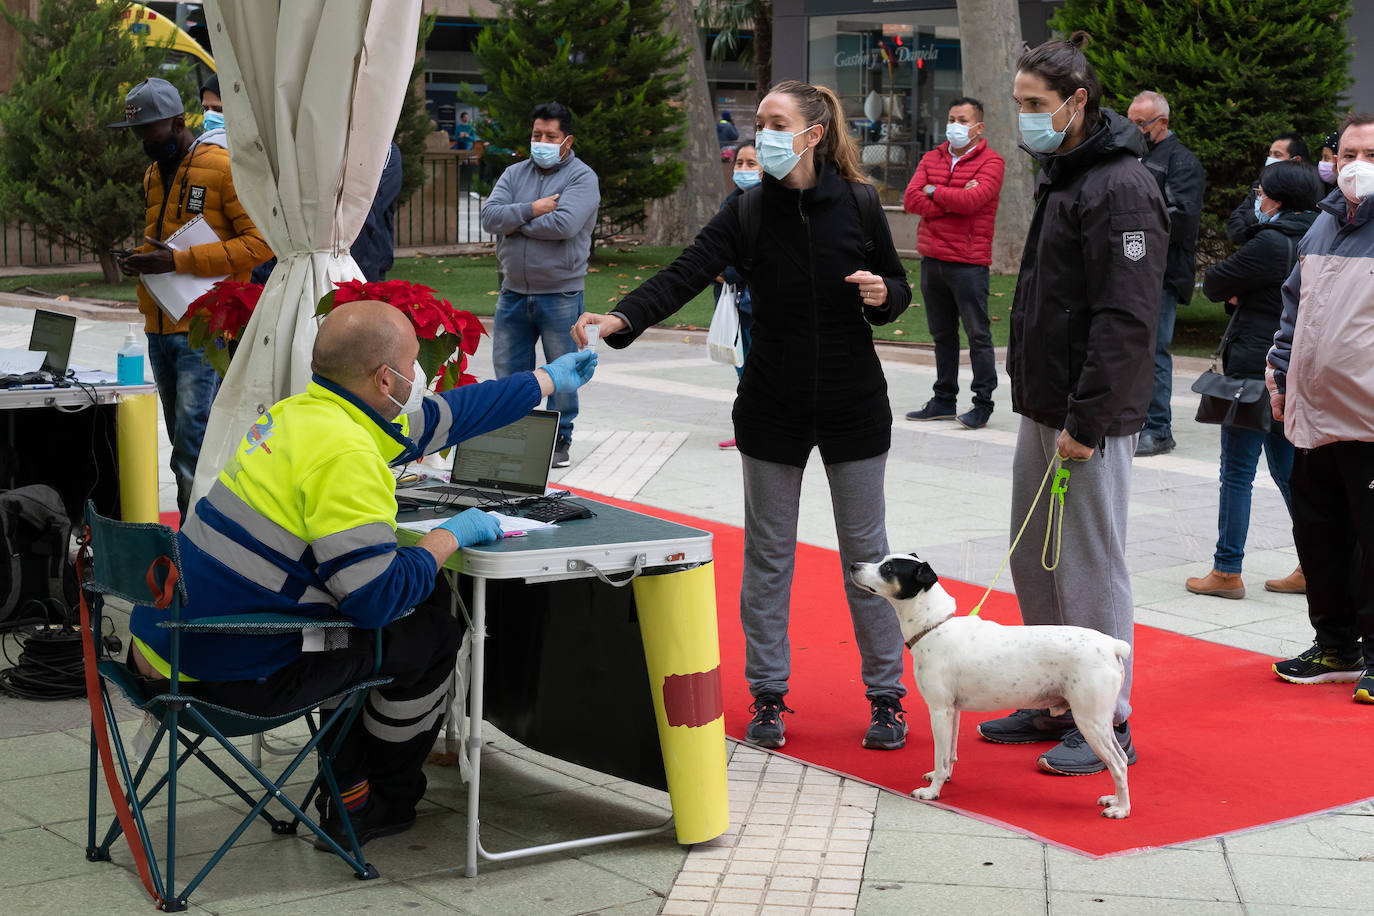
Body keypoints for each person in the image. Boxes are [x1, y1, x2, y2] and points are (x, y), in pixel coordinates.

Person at [128, 299, 599, 845]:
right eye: (414, 361)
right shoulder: (346, 453)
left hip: (163, 648)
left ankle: (346, 777)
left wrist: (544, 380)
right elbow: (374, 600)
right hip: (225, 675)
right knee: (431, 633)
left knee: (352, 624)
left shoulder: (295, 415)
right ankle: (376, 801)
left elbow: (447, 417)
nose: (419, 375)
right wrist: (450, 536)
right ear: (386, 377)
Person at [572, 79, 913, 752]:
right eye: (759, 123)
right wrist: (622, 317)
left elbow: (898, 287)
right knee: (767, 557)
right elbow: (685, 272)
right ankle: (768, 694)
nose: (762, 135)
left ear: (814, 134)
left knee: (867, 555)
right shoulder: (748, 211)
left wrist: (883, 295)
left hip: (854, 406)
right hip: (771, 405)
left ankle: (886, 697)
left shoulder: (861, 204)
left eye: (776, 123)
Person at [976, 34, 1167, 775]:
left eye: (1034, 106)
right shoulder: (1068, 173)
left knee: (1088, 564)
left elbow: (1126, 316)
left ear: (1078, 102)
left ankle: (1107, 719)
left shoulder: (1120, 185)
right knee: (1036, 556)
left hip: (1088, 413)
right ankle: (1058, 697)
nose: (1022, 118)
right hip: (1047, 403)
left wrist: (1086, 420)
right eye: (1018, 103)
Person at [109, 77, 272, 522]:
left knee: (192, 446)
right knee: (183, 443)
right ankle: (199, 541)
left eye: (151, 130)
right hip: (159, 328)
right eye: (137, 132)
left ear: (178, 122)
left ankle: (202, 546)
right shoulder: (151, 174)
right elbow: (165, 248)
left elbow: (261, 244)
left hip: (203, 330)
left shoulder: (221, 167)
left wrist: (180, 262)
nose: (143, 140)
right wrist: (142, 262)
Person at [1266, 113, 1374, 703]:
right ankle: (1336, 644)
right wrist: (1279, 370)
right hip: (1314, 416)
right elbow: (1293, 309)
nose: (1358, 165)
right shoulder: (1322, 227)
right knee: (1319, 536)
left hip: (1371, 422)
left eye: (1373, 154)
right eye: (1351, 152)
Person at [1184, 160, 1322, 599]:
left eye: (1261, 194)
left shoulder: (1271, 242)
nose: (1256, 201)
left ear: (1278, 199)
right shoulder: (1319, 234)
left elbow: (1215, 283)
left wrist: (1242, 289)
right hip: (1295, 366)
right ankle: (1314, 563)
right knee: (1288, 472)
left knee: (1238, 472)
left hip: (1255, 368)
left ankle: (1226, 571)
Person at [480, 101, 601, 469]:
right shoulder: (514, 173)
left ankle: (560, 437)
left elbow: (564, 225)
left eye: (551, 136)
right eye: (537, 135)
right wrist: (533, 208)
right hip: (513, 291)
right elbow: (489, 216)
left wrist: (513, 222)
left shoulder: (582, 177)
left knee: (564, 368)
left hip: (561, 293)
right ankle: (517, 432)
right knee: (510, 370)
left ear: (567, 140)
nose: (542, 141)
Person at [902, 96, 1005, 430]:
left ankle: (982, 403)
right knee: (942, 335)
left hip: (969, 262)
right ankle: (943, 399)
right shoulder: (933, 156)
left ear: (979, 127)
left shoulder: (992, 162)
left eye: (962, 120)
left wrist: (935, 191)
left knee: (978, 335)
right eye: (951, 118)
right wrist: (950, 195)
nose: (955, 126)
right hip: (933, 260)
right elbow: (910, 199)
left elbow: (973, 200)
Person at [1128, 90, 1205, 458]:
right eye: (1130, 122)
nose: (1134, 129)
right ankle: (1132, 421)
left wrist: (1132, 225)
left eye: (1140, 124)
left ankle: (1159, 428)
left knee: (1153, 350)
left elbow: (1183, 219)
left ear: (1163, 124)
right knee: (1127, 348)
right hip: (1128, 271)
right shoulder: (1131, 155)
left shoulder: (1181, 162)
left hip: (1161, 274)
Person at [715, 142, 759, 451]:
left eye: (750, 163)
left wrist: (726, 271)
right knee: (743, 370)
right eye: (739, 163)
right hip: (733, 303)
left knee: (760, 371)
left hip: (758, 305)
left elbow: (751, 257)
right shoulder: (730, 204)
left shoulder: (769, 207)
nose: (742, 169)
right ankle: (749, 427)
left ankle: (762, 428)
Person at [1227, 132, 1310, 244]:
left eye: (1277, 155)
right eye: (1270, 154)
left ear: (1296, 160)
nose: (1270, 159)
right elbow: (1235, 223)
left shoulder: (1308, 192)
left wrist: (1253, 219)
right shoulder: (1261, 184)